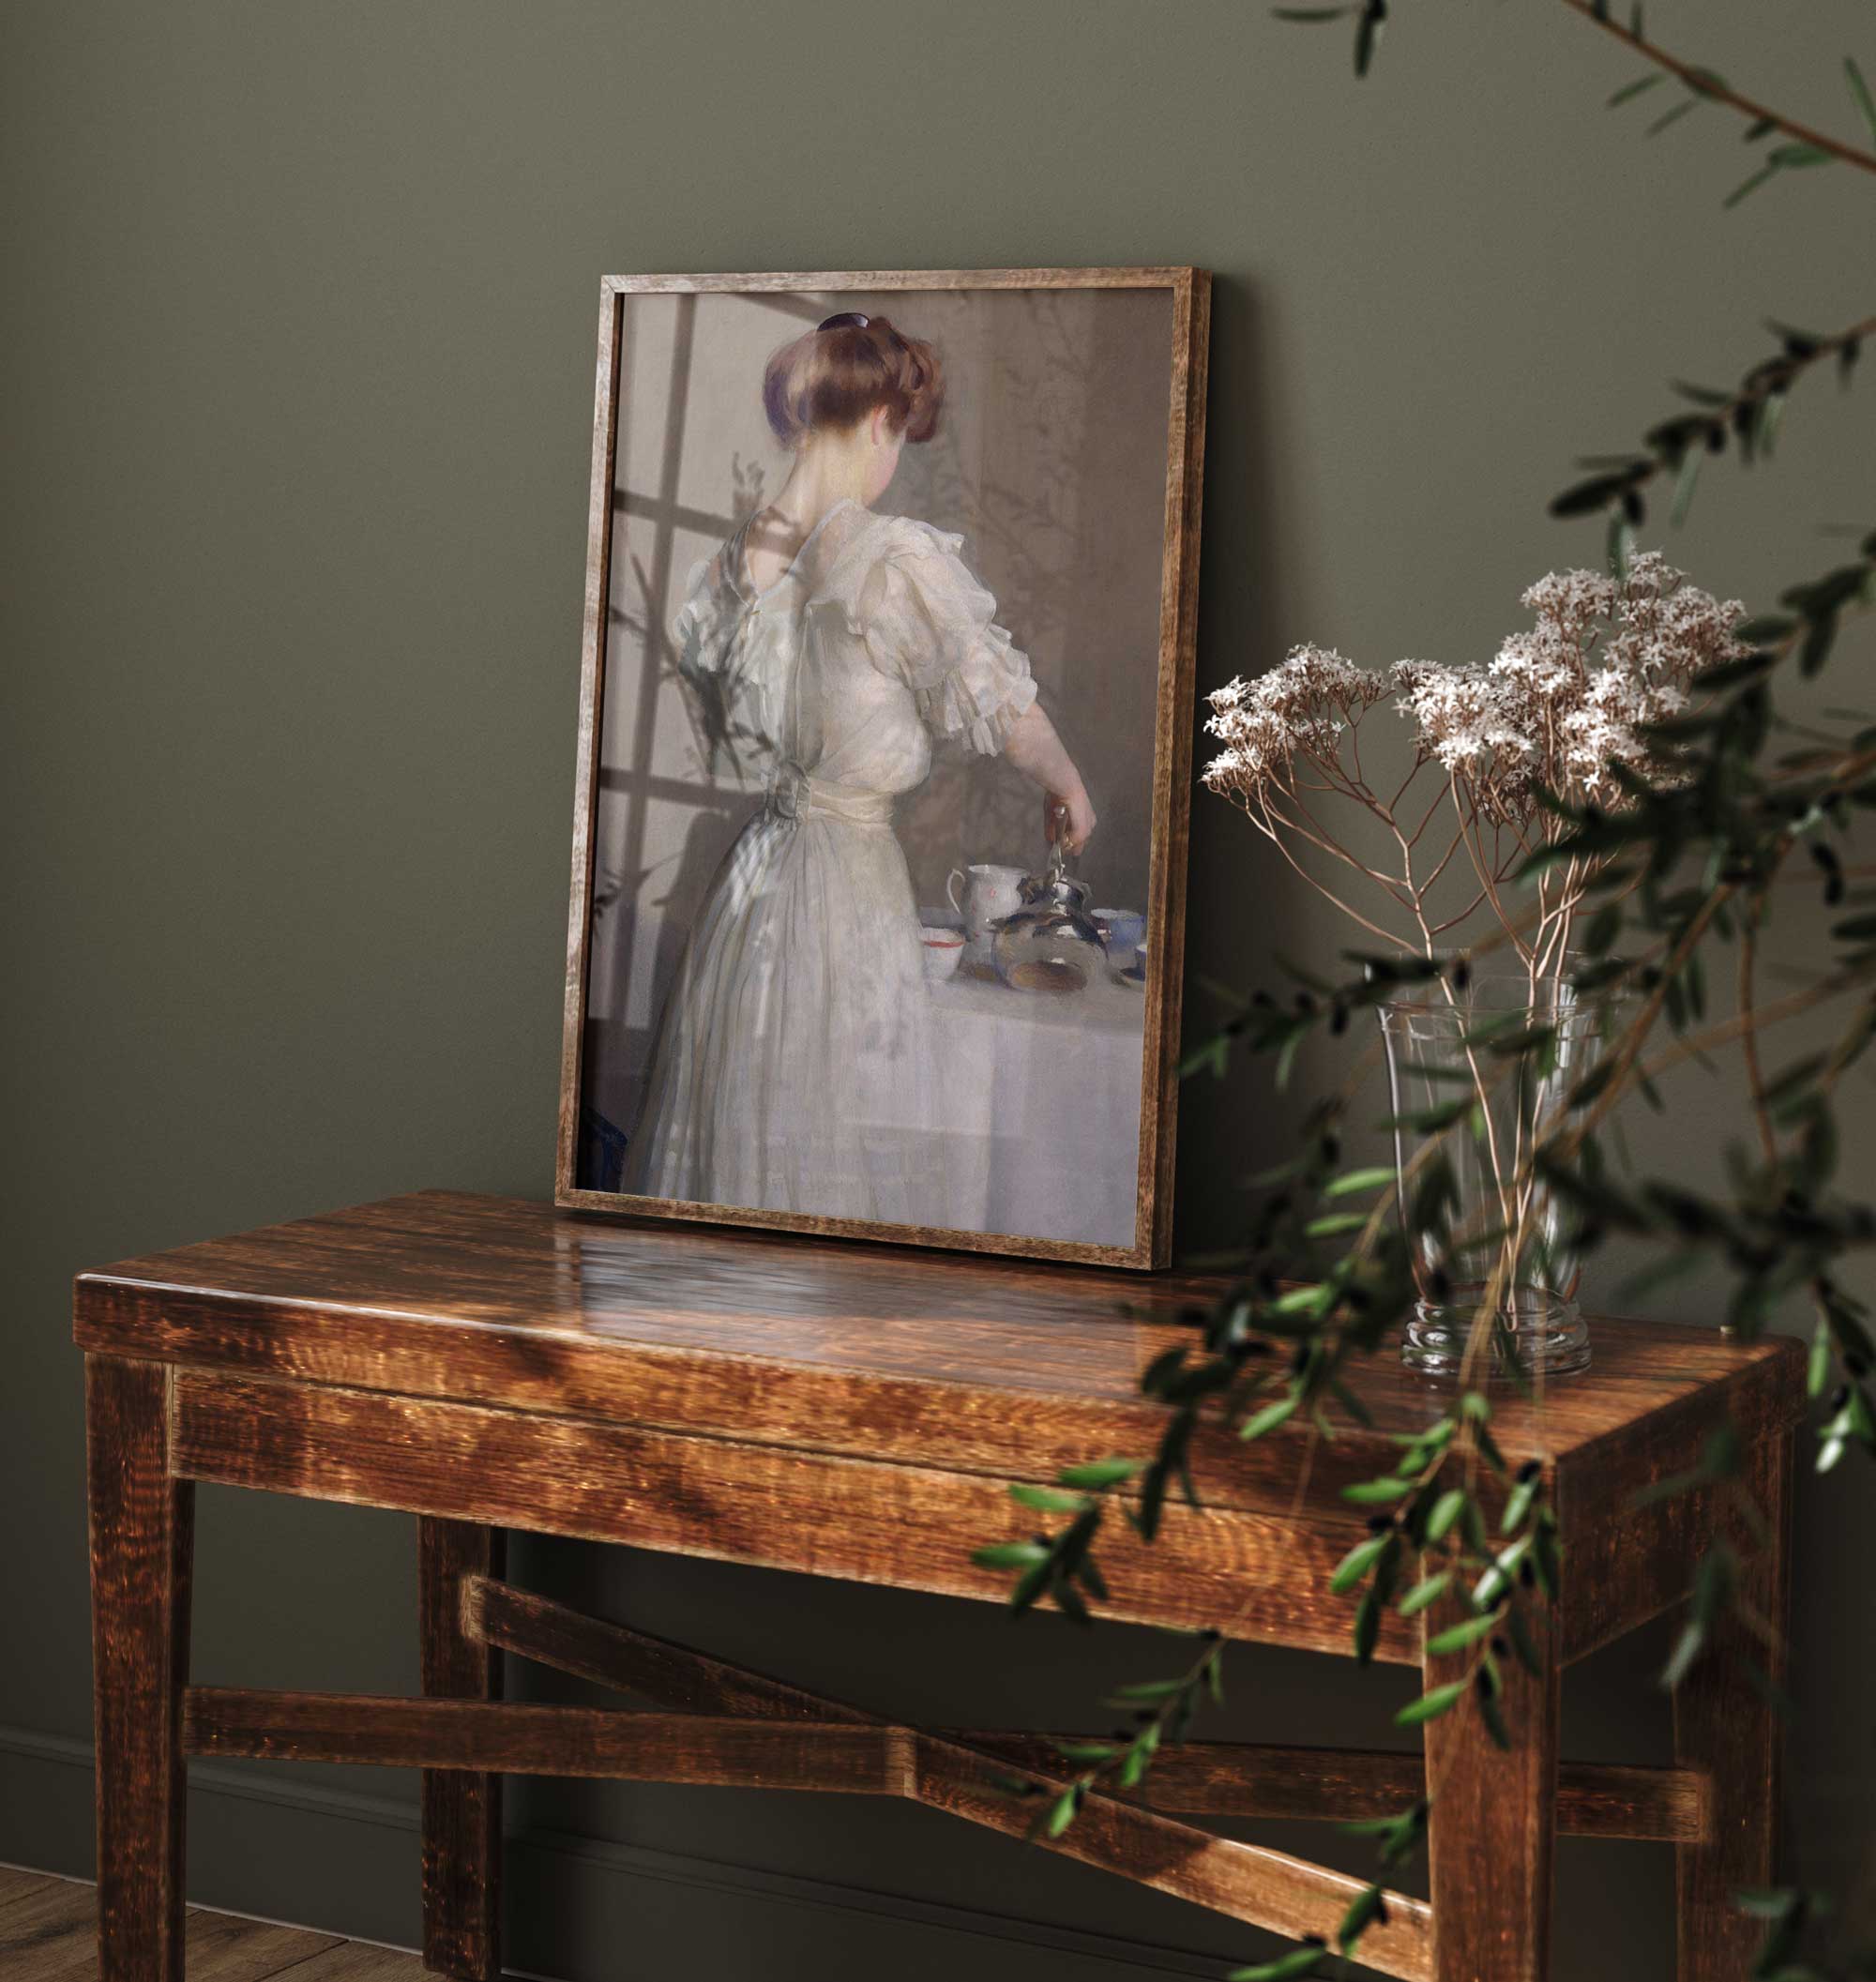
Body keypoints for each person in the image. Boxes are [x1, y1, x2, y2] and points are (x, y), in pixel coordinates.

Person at [621, 311, 1096, 1227]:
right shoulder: (888, 559)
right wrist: (1068, 783)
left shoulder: (744, 563)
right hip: (839, 894)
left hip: (751, 888)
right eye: (897, 439)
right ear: (879, 421)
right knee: (824, 1123)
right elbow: (997, 702)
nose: (895, 463)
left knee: (750, 1124)